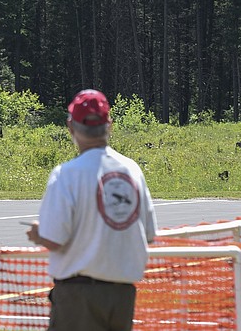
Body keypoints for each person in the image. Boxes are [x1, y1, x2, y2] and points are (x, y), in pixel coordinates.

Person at [24, 89, 157, 331]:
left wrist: (37, 234)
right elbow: (148, 234)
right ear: (110, 125)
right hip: (122, 295)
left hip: (78, 296)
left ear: (70, 127)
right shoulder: (132, 170)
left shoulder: (66, 174)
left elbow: (55, 239)